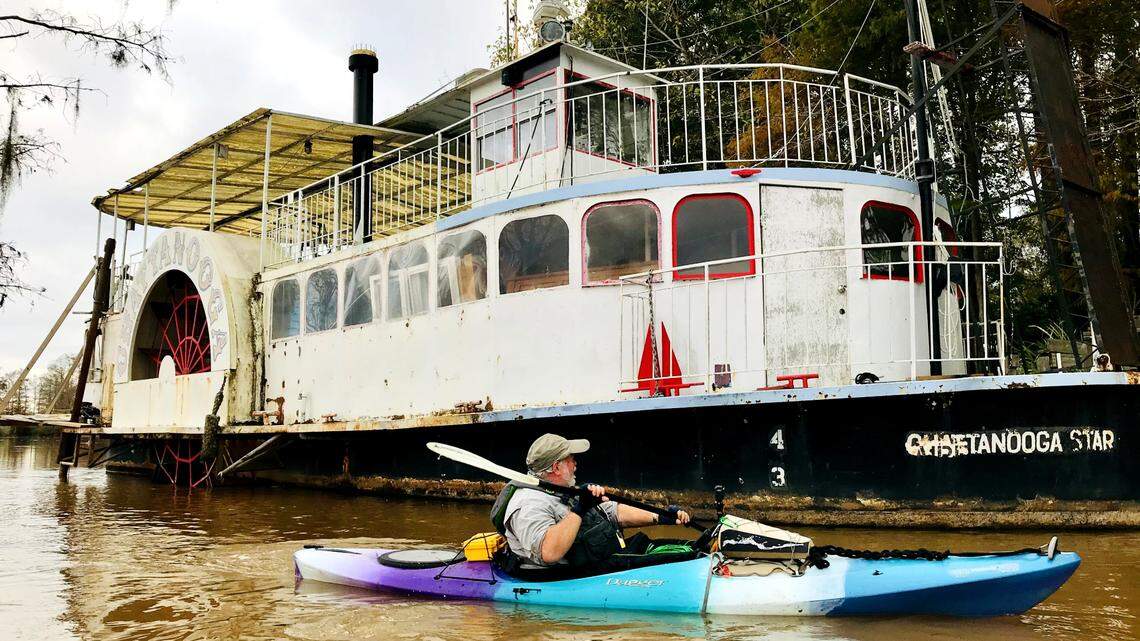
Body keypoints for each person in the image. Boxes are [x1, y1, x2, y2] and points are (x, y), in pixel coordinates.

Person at [491, 433, 691, 569]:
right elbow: (548, 552)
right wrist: (579, 509)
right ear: (556, 467)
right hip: (559, 577)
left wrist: (661, 517)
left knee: (670, 546)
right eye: (571, 459)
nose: (575, 464)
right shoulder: (527, 504)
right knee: (667, 559)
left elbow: (613, 512)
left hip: (594, 559)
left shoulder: (564, 491)